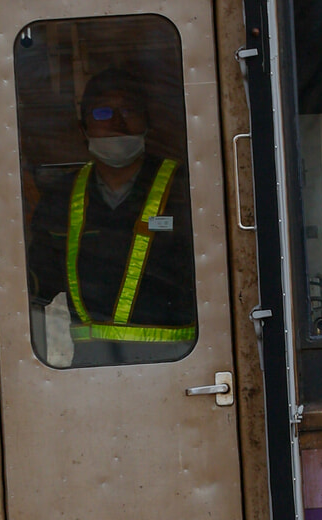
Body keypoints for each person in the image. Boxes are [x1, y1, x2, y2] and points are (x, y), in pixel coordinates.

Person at [26, 66, 197, 364]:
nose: (118, 123)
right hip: (92, 368)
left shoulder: (188, 189)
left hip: (179, 363)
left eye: (128, 110)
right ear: (83, 128)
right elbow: (38, 280)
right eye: (103, 113)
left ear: (148, 122)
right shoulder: (61, 199)